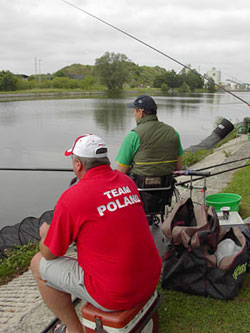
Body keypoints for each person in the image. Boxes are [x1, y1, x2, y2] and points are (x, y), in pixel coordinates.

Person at [30, 134, 162, 333]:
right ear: (106, 160)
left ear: (78, 165)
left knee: (38, 263)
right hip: (150, 279)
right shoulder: (127, 182)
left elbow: (50, 253)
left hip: (115, 295)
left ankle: (73, 330)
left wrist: (46, 235)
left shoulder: (72, 197)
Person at [116, 95, 184, 223]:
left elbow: (120, 172)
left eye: (134, 111)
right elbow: (178, 167)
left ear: (140, 112)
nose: (134, 114)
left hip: (140, 195)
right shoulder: (173, 132)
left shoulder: (133, 135)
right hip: (164, 193)